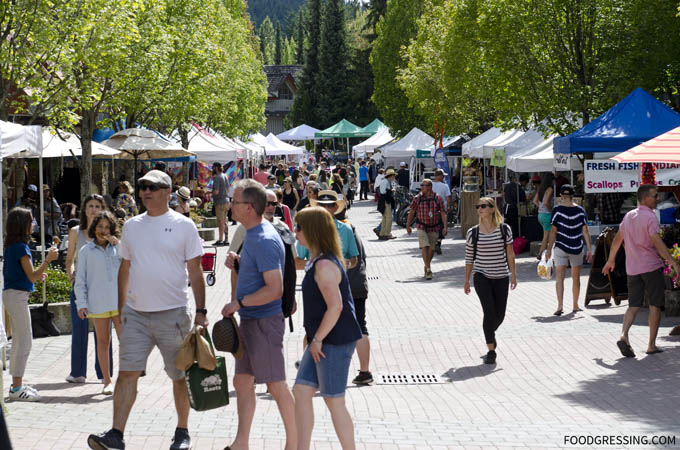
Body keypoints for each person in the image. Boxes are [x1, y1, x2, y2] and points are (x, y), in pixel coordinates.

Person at [87, 170, 207, 450]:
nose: (145, 192)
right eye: (142, 187)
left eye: (151, 187)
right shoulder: (132, 226)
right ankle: (116, 434)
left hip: (174, 314)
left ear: (167, 191)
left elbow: (195, 270)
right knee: (127, 372)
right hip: (136, 315)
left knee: (178, 375)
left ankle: (182, 432)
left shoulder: (184, 225)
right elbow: (125, 268)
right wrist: (120, 309)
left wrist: (201, 310)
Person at [222, 179, 297, 450]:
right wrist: (240, 264)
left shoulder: (263, 238)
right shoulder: (252, 232)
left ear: (250, 207)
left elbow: (274, 289)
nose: (230, 205)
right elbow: (261, 275)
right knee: (242, 381)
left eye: (235, 201)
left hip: (264, 322)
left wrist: (239, 302)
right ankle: (241, 443)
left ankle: (296, 444)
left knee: (276, 385)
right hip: (252, 321)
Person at [292, 206, 362, 450]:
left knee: (334, 401)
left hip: (333, 341)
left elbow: (336, 307)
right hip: (322, 340)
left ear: (311, 230)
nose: (295, 231)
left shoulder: (324, 266)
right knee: (301, 391)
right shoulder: (316, 261)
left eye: (298, 227)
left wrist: (318, 339)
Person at [603, 184, 679, 358]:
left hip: (633, 268)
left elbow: (617, 239)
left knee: (633, 305)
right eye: (655, 196)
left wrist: (610, 260)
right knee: (655, 305)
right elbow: (657, 242)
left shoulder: (629, 216)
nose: (658, 198)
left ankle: (623, 335)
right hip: (651, 267)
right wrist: (673, 262)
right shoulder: (651, 217)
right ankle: (651, 345)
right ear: (645, 198)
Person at [3, 207, 59, 401]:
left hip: (14, 295)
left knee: (19, 340)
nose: (33, 223)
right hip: (17, 297)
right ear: (22, 224)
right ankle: (17, 388)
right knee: (24, 341)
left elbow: (25, 275)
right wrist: (48, 260)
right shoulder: (21, 247)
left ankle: (16, 385)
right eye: (31, 220)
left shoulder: (12, 245)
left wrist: (36, 275)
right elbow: (33, 275)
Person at [463, 197, 517, 365]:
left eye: (483, 206)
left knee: (499, 316)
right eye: (478, 206)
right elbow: (469, 258)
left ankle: (489, 333)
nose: (479, 209)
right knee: (489, 312)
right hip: (481, 276)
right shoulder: (473, 232)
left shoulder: (504, 229)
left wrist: (513, 274)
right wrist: (466, 280)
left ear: (492, 209)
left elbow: (510, 253)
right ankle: (491, 350)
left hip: (501, 276)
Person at [74, 211, 122, 395]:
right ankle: (107, 381)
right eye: (100, 227)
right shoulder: (86, 251)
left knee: (125, 341)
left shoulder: (118, 247)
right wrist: (81, 303)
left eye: (107, 227)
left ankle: (126, 379)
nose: (103, 230)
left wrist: (118, 244)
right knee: (103, 342)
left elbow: (131, 263)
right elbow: (80, 280)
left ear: (112, 229)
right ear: (95, 228)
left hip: (119, 303)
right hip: (98, 303)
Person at [65, 194, 111, 384]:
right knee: (79, 329)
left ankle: (104, 374)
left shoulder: (106, 231)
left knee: (103, 334)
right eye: (90, 206)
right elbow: (69, 261)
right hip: (81, 288)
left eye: (97, 206)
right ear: (84, 209)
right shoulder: (76, 231)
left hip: (102, 289)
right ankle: (77, 372)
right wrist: (72, 275)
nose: (94, 209)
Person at [333, 207, 373, 385]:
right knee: (360, 326)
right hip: (358, 284)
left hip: (344, 285)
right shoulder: (352, 228)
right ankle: (365, 371)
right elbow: (361, 258)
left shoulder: (341, 230)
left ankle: (325, 371)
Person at [545, 185, 592, 315]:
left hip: (561, 246)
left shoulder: (557, 210)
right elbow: (585, 230)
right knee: (575, 278)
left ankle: (560, 306)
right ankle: (575, 305)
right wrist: (589, 249)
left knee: (559, 278)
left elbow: (553, 231)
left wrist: (549, 250)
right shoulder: (580, 210)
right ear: (573, 196)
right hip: (577, 246)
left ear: (561, 196)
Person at [406, 179, 448, 280]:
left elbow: (443, 212)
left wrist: (445, 227)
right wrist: (408, 226)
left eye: (423, 185)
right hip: (421, 226)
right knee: (424, 246)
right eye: (421, 185)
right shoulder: (417, 198)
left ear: (429, 187)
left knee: (432, 249)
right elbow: (411, 212)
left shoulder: (437, 198)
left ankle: (427, 264)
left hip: (434, 227)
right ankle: (428, 269)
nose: (421, 187)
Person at [432, 169, 452, 254]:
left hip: (431, 209)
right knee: (440, 226)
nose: (444, 177)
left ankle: (434, 243)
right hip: (441, 209)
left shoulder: (430, 185)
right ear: (439, 176)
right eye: (443, 176)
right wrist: (449, 206)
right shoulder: (445, 186)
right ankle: (438, 243)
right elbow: (448, 198)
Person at [534, 172, 554, 259]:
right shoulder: (550, 189)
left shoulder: (540, 188)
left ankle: (545, 253)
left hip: (540, 214)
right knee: (546, 236)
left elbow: (534, 201)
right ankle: (540, 254)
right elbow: (546, 203)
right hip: (547, 215)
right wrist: (551, 210)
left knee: (546, 235)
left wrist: (541, 207)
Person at [503, 175, 526, 240]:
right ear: (524, 181)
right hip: (513, 208)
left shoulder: (508, 186)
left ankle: (505, 238)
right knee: (514, 226)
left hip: (506, 207)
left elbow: (504, 193)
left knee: (507, 225)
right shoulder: (519, 188)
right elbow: (523, 199)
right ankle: (514, 240)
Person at [212, 162, 230, 246]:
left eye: (213, 167)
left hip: (220, 202)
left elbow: (216, 191)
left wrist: (210, 193)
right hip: (226, 200)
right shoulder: (225, 175)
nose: (212, 169)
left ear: (216, 168)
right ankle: (226, 239)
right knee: (225, 221)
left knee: (220, 222)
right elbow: (228, 189)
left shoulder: (217, 177)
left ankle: (220, 240)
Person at [377, 169, 396, 240]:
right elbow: (383, 191)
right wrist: (391, 190)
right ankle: (387, 233)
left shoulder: (386, 181)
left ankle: (383, 233)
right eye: (393, 176)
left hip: (384, 201)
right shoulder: (386, 182)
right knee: (389, 218)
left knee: (385, 218)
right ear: (390, 176)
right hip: (385, 201)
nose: (394, 178)